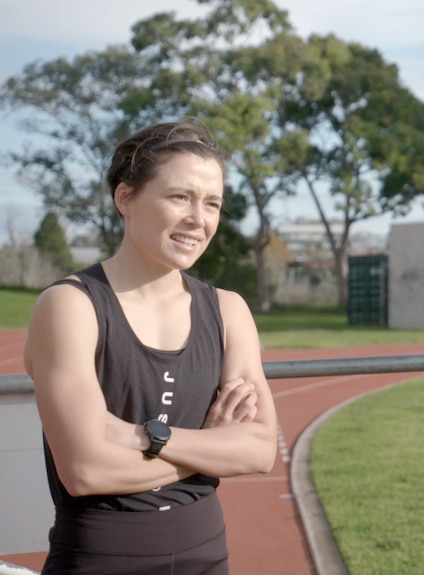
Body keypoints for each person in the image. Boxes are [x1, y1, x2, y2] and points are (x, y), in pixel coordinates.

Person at [24, 120, 278, 574]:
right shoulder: (71, 306)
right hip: (102, 559)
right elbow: (86, 472)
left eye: (212, 203)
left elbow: (259, 450)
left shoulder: (229, 311)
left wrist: (142, 437)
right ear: (126, 199)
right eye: (180, 197)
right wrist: (208, 450)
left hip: (207, 556)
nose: (199, 220)